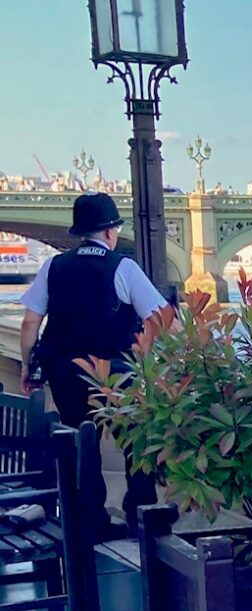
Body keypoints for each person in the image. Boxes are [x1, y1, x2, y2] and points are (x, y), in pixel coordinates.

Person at [19, 192, 165, 537]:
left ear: (79, 232)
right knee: (135, 439)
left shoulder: (53, 266)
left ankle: (91, 520)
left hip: (65, 372)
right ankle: (140, 513)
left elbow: (29, 324)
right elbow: (159, 318)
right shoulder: (123, 267)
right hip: (118, 372)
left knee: (83, 440)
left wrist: (28, 366)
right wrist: (149, 358)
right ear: (111, 232)